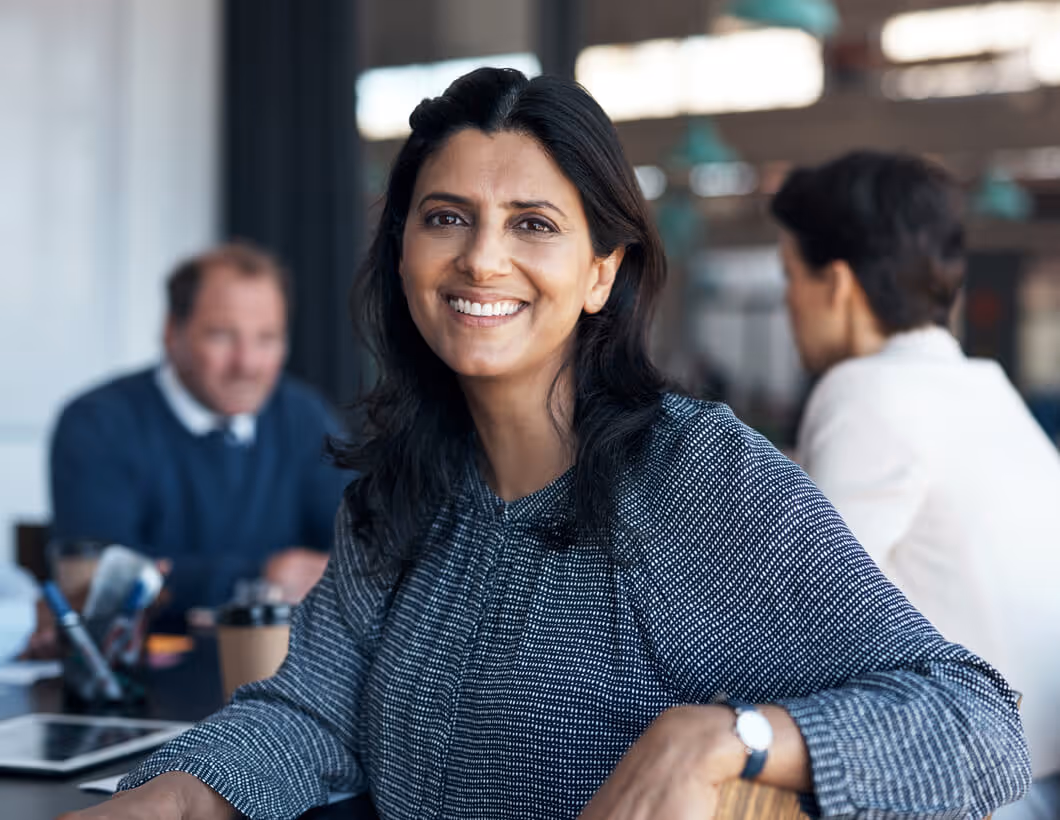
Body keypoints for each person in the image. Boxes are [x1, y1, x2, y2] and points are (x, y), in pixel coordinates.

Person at [62, 69, 1029, 820]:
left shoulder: (688, 479)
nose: (482, 258)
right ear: (403, 250)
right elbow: (311, 711)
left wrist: (723, 736)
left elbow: (973, 724)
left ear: (602, 272)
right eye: (446, 219)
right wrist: (164, 792)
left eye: (533, 224)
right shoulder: (403, 483)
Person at [772, 150, 1060, 820]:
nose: (788, 300)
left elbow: (793, 622)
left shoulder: (860, 390)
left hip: (978, 794)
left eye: (789, 275)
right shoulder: (984, 388)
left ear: (837, 285)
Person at [49, 242, 349, 629]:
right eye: (223, 336)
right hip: (145, 678)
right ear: (173, 332)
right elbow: (104, 584)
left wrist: (177, 577)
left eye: (267, 338)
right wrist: (261, 578)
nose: (247, 364)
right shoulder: (96, 424)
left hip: (281, 671)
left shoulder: (303, 415)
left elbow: (365, 546)